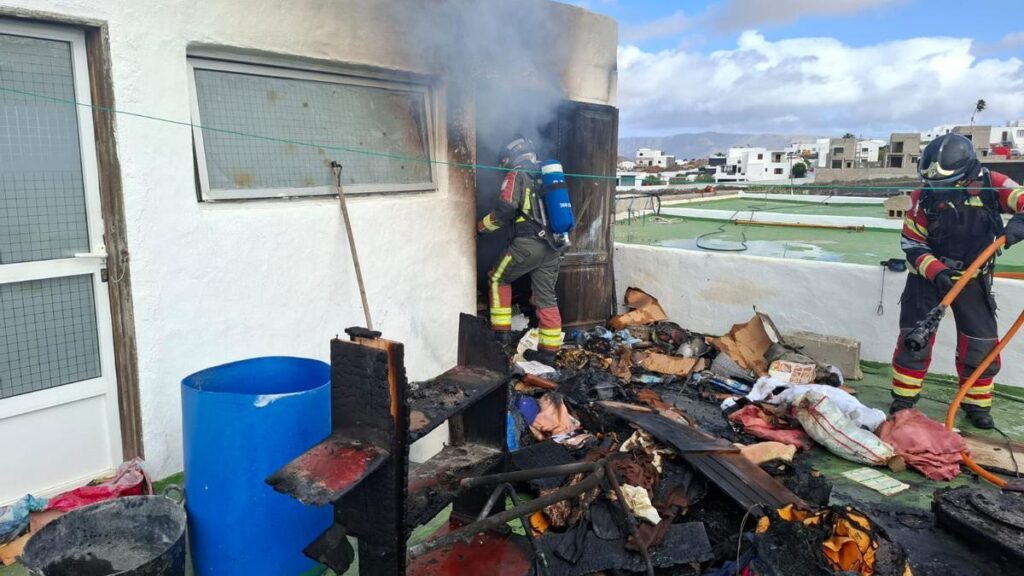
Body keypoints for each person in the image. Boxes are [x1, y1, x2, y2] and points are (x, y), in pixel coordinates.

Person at [890, 133, 1024, 429]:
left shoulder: (992, 185)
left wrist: (1018, 225)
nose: (936, 190)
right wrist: (937, 273)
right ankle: (903, 400)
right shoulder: (921, 197)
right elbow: (912, 244)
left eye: (943, 184)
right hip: (926, 279)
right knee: (914, 340)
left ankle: (976, 404)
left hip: (973, 277)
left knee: (981, 342)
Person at [478, 137, 565, 364]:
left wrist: (482, 226)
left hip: (527, 245)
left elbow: (506, 208)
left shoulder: (516, 174)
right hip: (553, 246)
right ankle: (548, 353)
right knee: (547, 297)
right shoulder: (547, 175)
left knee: (497, 278)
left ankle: (501, 338)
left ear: (512, 156)